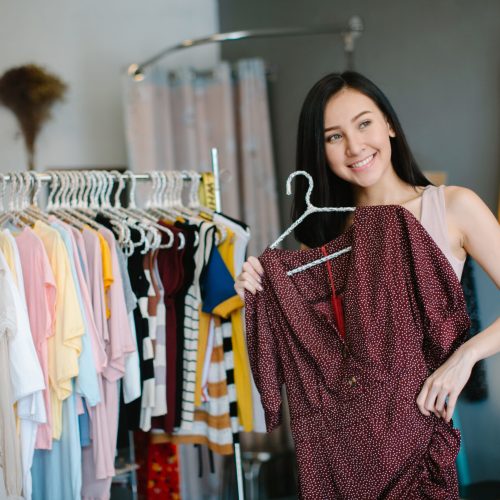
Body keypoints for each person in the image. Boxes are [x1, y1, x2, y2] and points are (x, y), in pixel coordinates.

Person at [235, 71, 500, 425]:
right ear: (320, 149)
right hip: (346, 429)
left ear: (389, 124)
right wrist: (259, 295)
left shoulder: (453, 207)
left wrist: (464, 358)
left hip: (423, 425)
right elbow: (315, 352)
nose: (354, 147)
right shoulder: (324, 236)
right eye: (334, 136)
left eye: (364, 124)